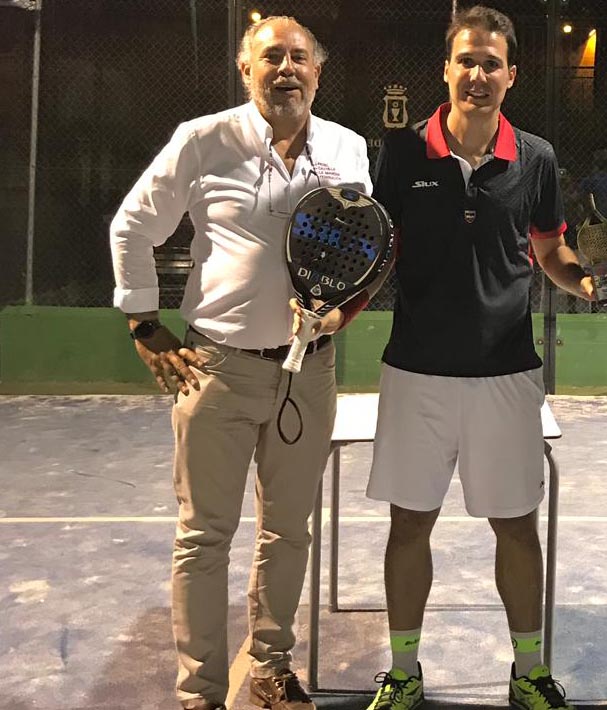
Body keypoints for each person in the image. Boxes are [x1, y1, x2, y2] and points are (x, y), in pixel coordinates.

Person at [109, 16, 377, 710]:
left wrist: (338, 313)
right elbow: (133, 225)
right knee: (205, 538)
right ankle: (198, 691)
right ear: (245, 70)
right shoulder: (204, 139)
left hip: (308, 369)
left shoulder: (348, 148)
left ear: (318, 72)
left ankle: (268, 667)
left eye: (298, 58)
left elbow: (362, 250)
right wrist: (144, 320)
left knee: (290, 531)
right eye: (271, 57)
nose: (285, 68)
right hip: (216, 369)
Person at [363, 6, 592, 710]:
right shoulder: (400, 156)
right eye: (467, 60)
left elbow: (550, 247)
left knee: (516, 526)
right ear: (446, 69)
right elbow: (375, 248)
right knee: (410, 523)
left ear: (511, 76)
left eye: (492, 63)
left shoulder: (537, 158)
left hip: (506, 373)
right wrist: (330, 307)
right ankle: (404, 671)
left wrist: (584, 280)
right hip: (416, 370)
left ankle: (527, 672)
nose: (478, 74)